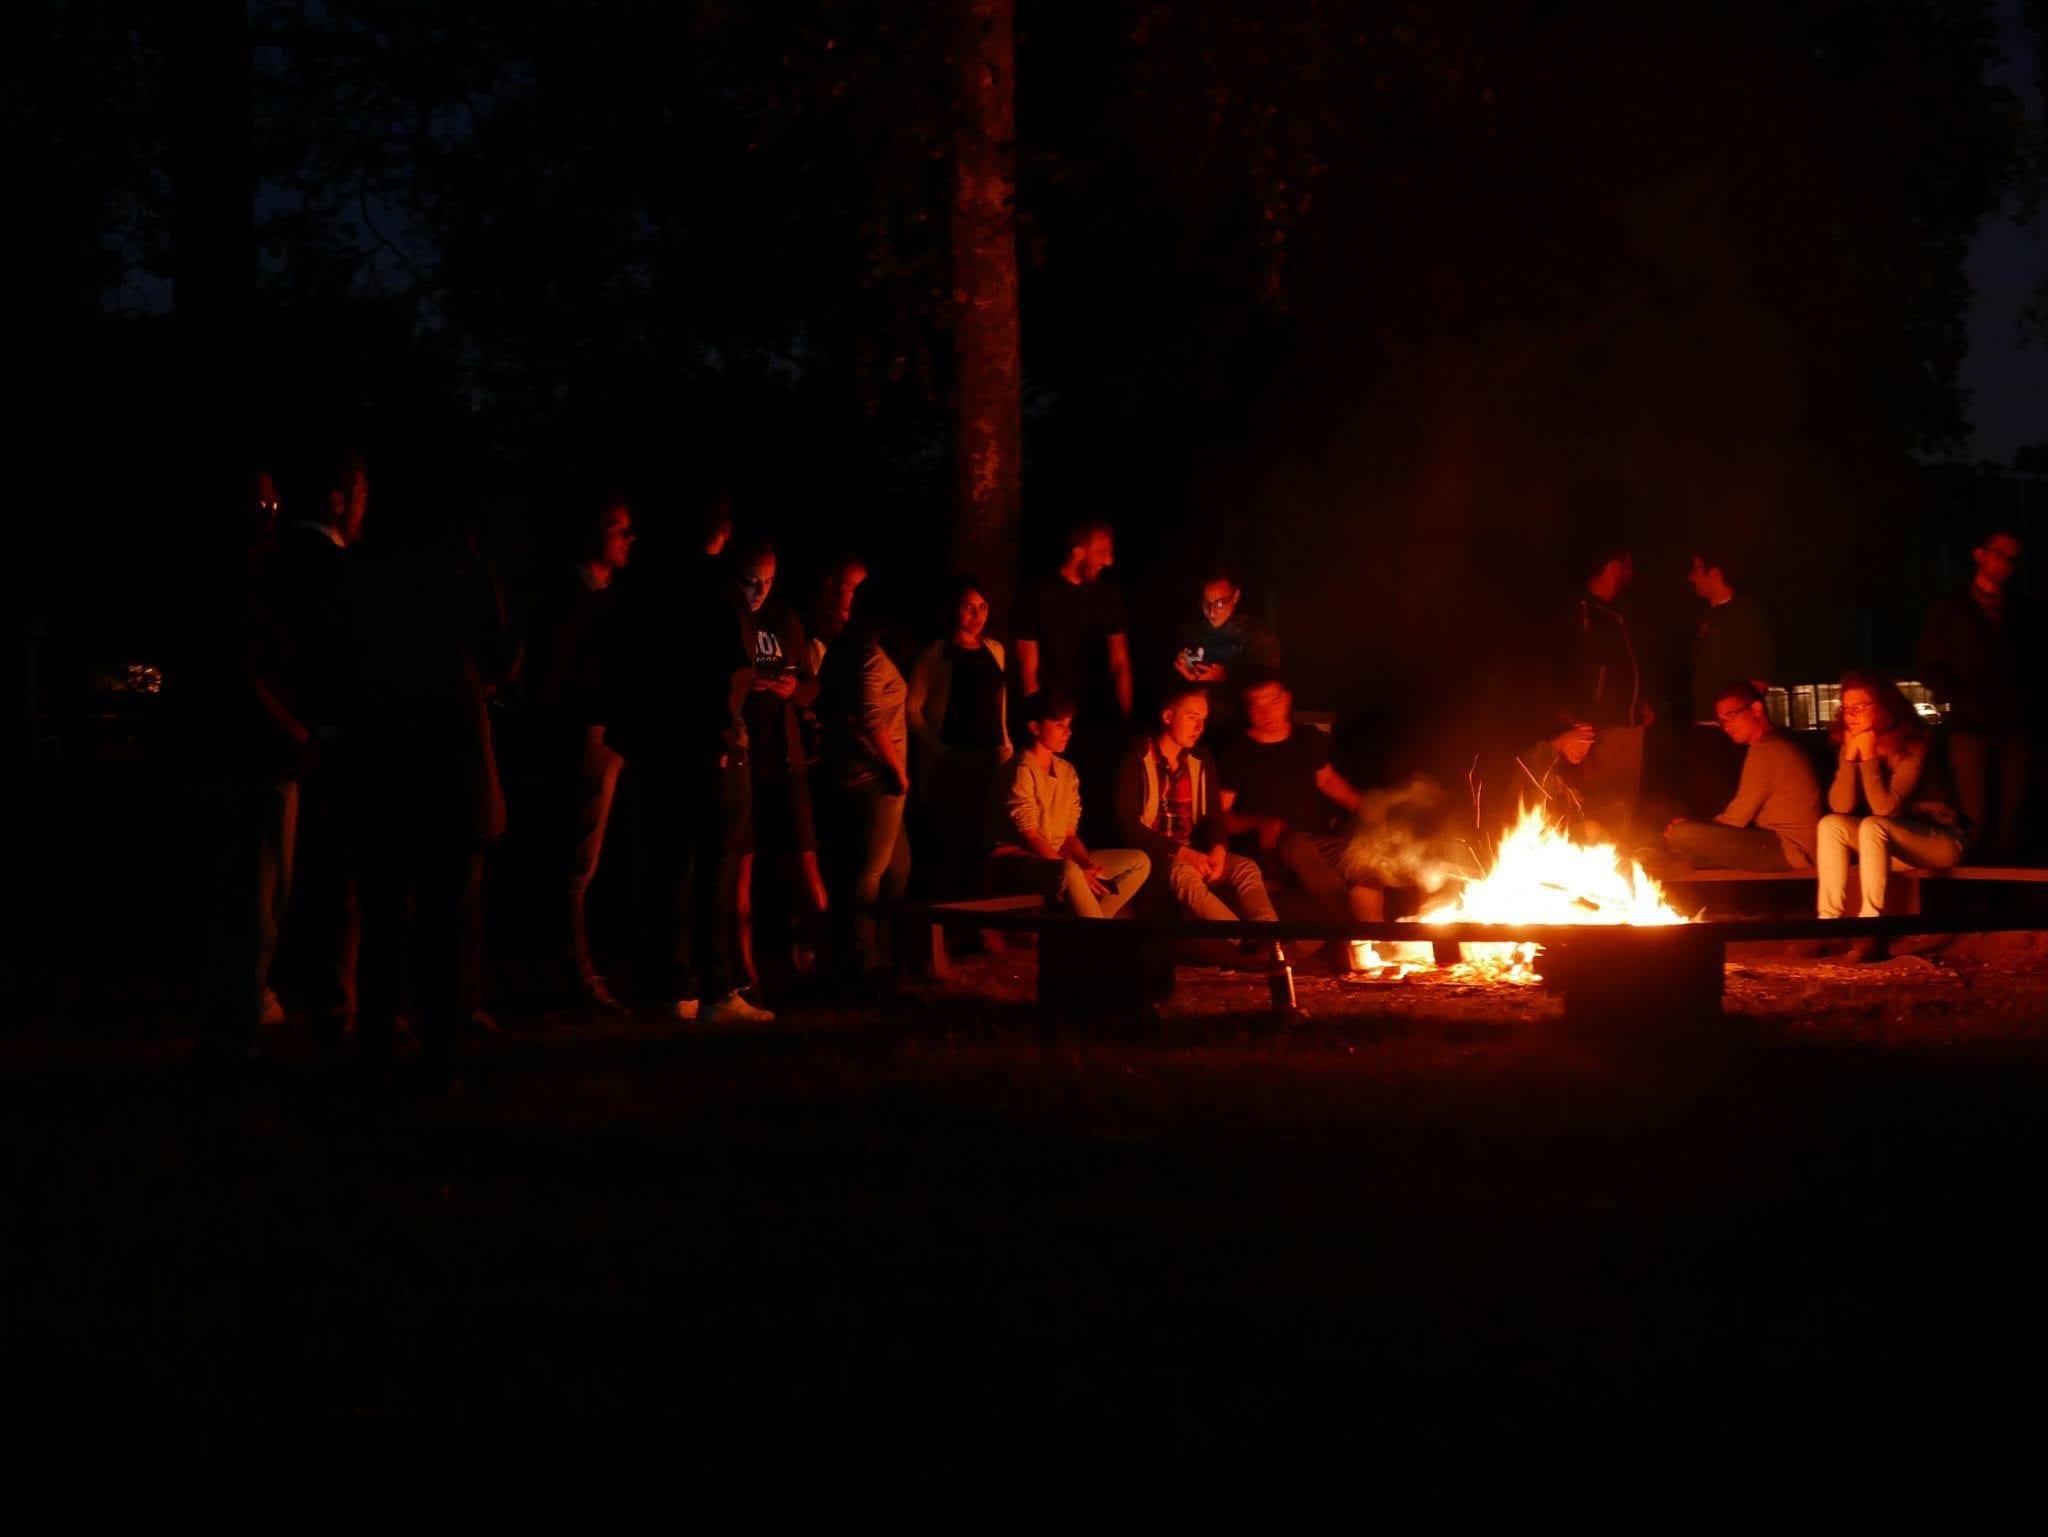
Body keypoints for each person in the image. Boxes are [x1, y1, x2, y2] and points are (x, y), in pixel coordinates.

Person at [344, 489, 516, 1078]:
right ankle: (439, 1054)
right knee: (445, 917)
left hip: (384, 760)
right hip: (447, 762)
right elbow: (500, 654)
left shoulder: (369, 576)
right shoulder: (465, 578)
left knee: (386, 917)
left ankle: (376, 1049)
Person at [610, 502, 773, 1024]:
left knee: (669, 867)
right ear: (723, 531)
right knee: (715, 870)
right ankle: (717, 988)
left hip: (661, 748)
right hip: (711, 750)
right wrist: (724, 731)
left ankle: (672, 986)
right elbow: (734, 667)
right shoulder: (720, 588)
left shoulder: (649, 585)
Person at [196, 469, 304, 1066]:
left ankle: (237, 1017)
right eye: (260, 503)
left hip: (257, 756)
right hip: (255, 758)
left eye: (273, 500)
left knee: (256, 899)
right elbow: (243, 675)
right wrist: (294, 731)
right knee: (254, 901)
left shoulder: (252, 577)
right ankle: (234, 1033)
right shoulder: (237, 584)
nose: (271, 511)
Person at [522, 492, 635, 1008]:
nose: (629, 539)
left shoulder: (608, 598)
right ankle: (575, 971)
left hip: (604, 736)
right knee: (575, 862)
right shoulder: (570, 600)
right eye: (618, 529)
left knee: (586, 861)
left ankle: (574, 964)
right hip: (584, 738)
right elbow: (552, 678)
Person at [270, 450, 367, 1041]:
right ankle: (335, 1000)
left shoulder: (275, 559)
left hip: (290, 733)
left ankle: (297, 987)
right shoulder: (334, 569)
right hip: (325, 736)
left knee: (298, 874)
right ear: (338, 502)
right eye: (361, 498)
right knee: (338, 878)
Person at [1816, 671, 1970, 957]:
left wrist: (1869, 758)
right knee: (1830, 824)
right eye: (1847, 708)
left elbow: (1886, 809)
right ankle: (1829, 927)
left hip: (1940, 842)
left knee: (1873, 824)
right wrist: (1850, 758)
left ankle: (1871, 929)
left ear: (1884, 706)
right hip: (1889, 844)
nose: (1851, 715)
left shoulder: (1914, 743)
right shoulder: (1854, 742)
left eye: (1860, 706)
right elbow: (1840, 806)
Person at [732, 535, 827, 986]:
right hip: (740, 759)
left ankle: (828, 971)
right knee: (741, 871)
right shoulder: (727, 617)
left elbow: (810, 684)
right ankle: (745, 976)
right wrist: (742, 685)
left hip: (785, 758)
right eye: (752, 581)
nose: (760, 591)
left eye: (768, 582)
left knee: (806, 862)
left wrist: (794, 690)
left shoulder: (784, 619)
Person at [1220, 671, 1382, 931]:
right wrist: (1258, 822)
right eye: (1257, 706)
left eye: (1273, 702)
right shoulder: (1237, 753)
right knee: (1296, 845)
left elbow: (1327, 781)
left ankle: (1376, 941)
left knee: (1366, 865)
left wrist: (1366, 808)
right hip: (1270, 849)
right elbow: (1221, 817)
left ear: (1286, 699)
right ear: (1248, 710)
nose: (1267, 713)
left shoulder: (1308, 739)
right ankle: (1350, 935)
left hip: (1316, 841)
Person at [1114, 683, 1278, 928]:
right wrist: (1183, 853)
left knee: (1246, 868)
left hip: (1194, 850)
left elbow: (1215, 815)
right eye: (1192, 717)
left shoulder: (1200, 758)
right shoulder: (1138, 756)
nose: (1199, 727)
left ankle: (1270, 934)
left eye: (1203, 719)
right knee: (1185, 876)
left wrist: (1219, 848)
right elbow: (1126, 825)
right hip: (1156, 856)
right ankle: (1244, 940)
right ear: (1168, 717)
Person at [1917, 526, 2036, 860]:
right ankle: (1973, 876)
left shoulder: (2024, 612)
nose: (2007, 563)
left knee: (2012, 812)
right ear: (1979, 555)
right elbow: (1929, 664)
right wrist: (1962, 696)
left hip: (2015, 724)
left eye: (2013, 558)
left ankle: (2001, 879)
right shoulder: (1950, 610)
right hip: (1970, 724)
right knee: (1974, 813)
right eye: (2000, 554)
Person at [816, 582, 912, 981]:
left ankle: (882, 949)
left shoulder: (841, 648)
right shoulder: (867, 654)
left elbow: (829, 704)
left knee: (897, 868)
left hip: (850, 770)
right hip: (875, 777)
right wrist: (896, 769)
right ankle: (862, 959)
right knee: (869, 872)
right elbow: (870, 715)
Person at [985, 692, 1150, 917]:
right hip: (1018, 863)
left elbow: (1069, 834)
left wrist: (1086, 864)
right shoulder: (1021, 770)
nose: (1068, 732)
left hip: (1059, 859)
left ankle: (1094, 923)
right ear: (1035, 727)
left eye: (1069, 725)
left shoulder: (1066, 771)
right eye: (1059, 724)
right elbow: (1030, 836)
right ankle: (1096, 931)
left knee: (1139, 861)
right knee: (1070, 870)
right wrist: (1076, 869)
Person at [1015, 521, 1133, 824]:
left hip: (1099, 715)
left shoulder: (1108, 595)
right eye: (1103, 552)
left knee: (1098, 797)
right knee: (1054, 800)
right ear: (1078, 552)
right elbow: (1028, 666)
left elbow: (1120, 661)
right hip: (1056, 714)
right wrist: (1038, 721)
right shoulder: (1038, 594)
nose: (1110, 561)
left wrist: (1125, 716)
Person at [908, 576, 1013, 900]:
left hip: (990, 756)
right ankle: (945, 910)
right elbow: (912, 708)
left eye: (982, 607)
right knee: (951, 838)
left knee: (986, 838)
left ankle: (979, 911)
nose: (977, 614)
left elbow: (1001, 705)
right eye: (969, 607)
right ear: (953, 608)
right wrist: (937, 750)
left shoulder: (995, 650)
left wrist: (1007, 746)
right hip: (952, 759)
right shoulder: (936, 653)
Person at [1663, 681, 1821, 871]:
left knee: (1681, 834)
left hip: (1789, 848)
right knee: (1690, 836)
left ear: (1756, 709)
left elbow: (1737, 818)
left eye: (1732, 715)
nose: (1727, 726)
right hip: (1792, 847)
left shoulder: (1765, 751)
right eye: (1722, 720)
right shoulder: (1775, 745)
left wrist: (1695, 830)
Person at [1556, 543, 1652, 833]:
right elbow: (1572, 670)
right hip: (1600, 729)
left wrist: (1639, 702)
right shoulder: (1583, 610)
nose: (1632, 574)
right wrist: (1577, 721)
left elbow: (1622, 667)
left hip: (1627, 725)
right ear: (1613, 567)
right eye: (1628, 567)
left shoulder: (1616, 612)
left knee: (1622, 810)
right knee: (1599, 811)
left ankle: (1620, 858)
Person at [1685, 549, 1775, 813]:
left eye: (1696, 570)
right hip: (1703, 728)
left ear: (1715, 572)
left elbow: (1759, 680)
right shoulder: (1707, 616)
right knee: (1705, 801)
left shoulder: (1747, 614)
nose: (1691, 577)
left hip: (1729, 734)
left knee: (1732, 801)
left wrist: (1735, 723)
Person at [1173, 563, 1280, 738]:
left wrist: (1227, 676)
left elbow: (1268, 686)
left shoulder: (1257, 635)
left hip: (1241, 730)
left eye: (1220, 603)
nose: (1212, 612)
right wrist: (1190, 679)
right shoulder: (1190, 632)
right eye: (1206, 603)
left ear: (1235, 596)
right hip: (1201, 729)